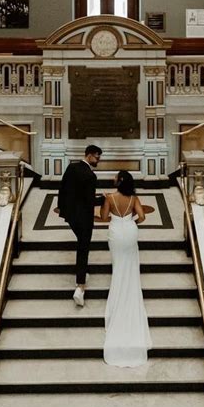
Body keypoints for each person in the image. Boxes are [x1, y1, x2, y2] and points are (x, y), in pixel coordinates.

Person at [100, 170, 152, 367]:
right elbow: (143, 218)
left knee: (118, 265)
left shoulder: (110, 198)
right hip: (130, 232)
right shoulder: (133, 198)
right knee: (130, 266)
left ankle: (118, 291)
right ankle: (129, 289)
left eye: (115, 177)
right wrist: (131, 223)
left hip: (115, 232)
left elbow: (104, 218)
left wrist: (107, 206)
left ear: (119, 181)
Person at [57, 145, 103, 307]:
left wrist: (62, 209)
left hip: (70, 215)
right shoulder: (90, 176)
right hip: (84, 217)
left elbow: (62, 189)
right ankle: (80, 286)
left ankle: (83, 274)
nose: (98, 160)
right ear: (89, 155)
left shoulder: (72, 167)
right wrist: (104, 199)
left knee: (81, 243)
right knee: (83, 247)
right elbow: (90, 201)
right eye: (97, 157)